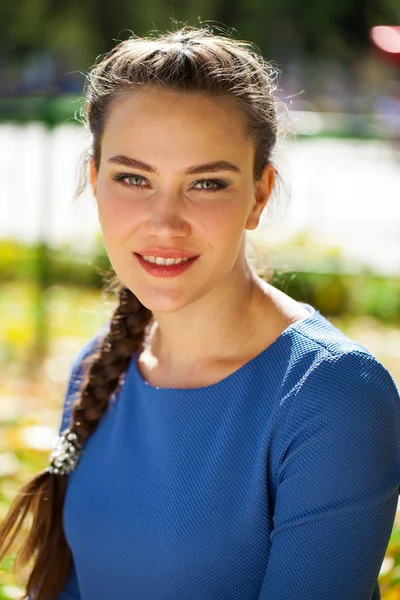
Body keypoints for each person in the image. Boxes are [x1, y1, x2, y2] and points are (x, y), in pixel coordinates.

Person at [1, 26, 400, 600]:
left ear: (259, 195)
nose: (165, 222)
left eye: (207, 183)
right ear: (95, 182)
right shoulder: (98, 366)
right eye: (133, 178)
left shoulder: (332, 396)